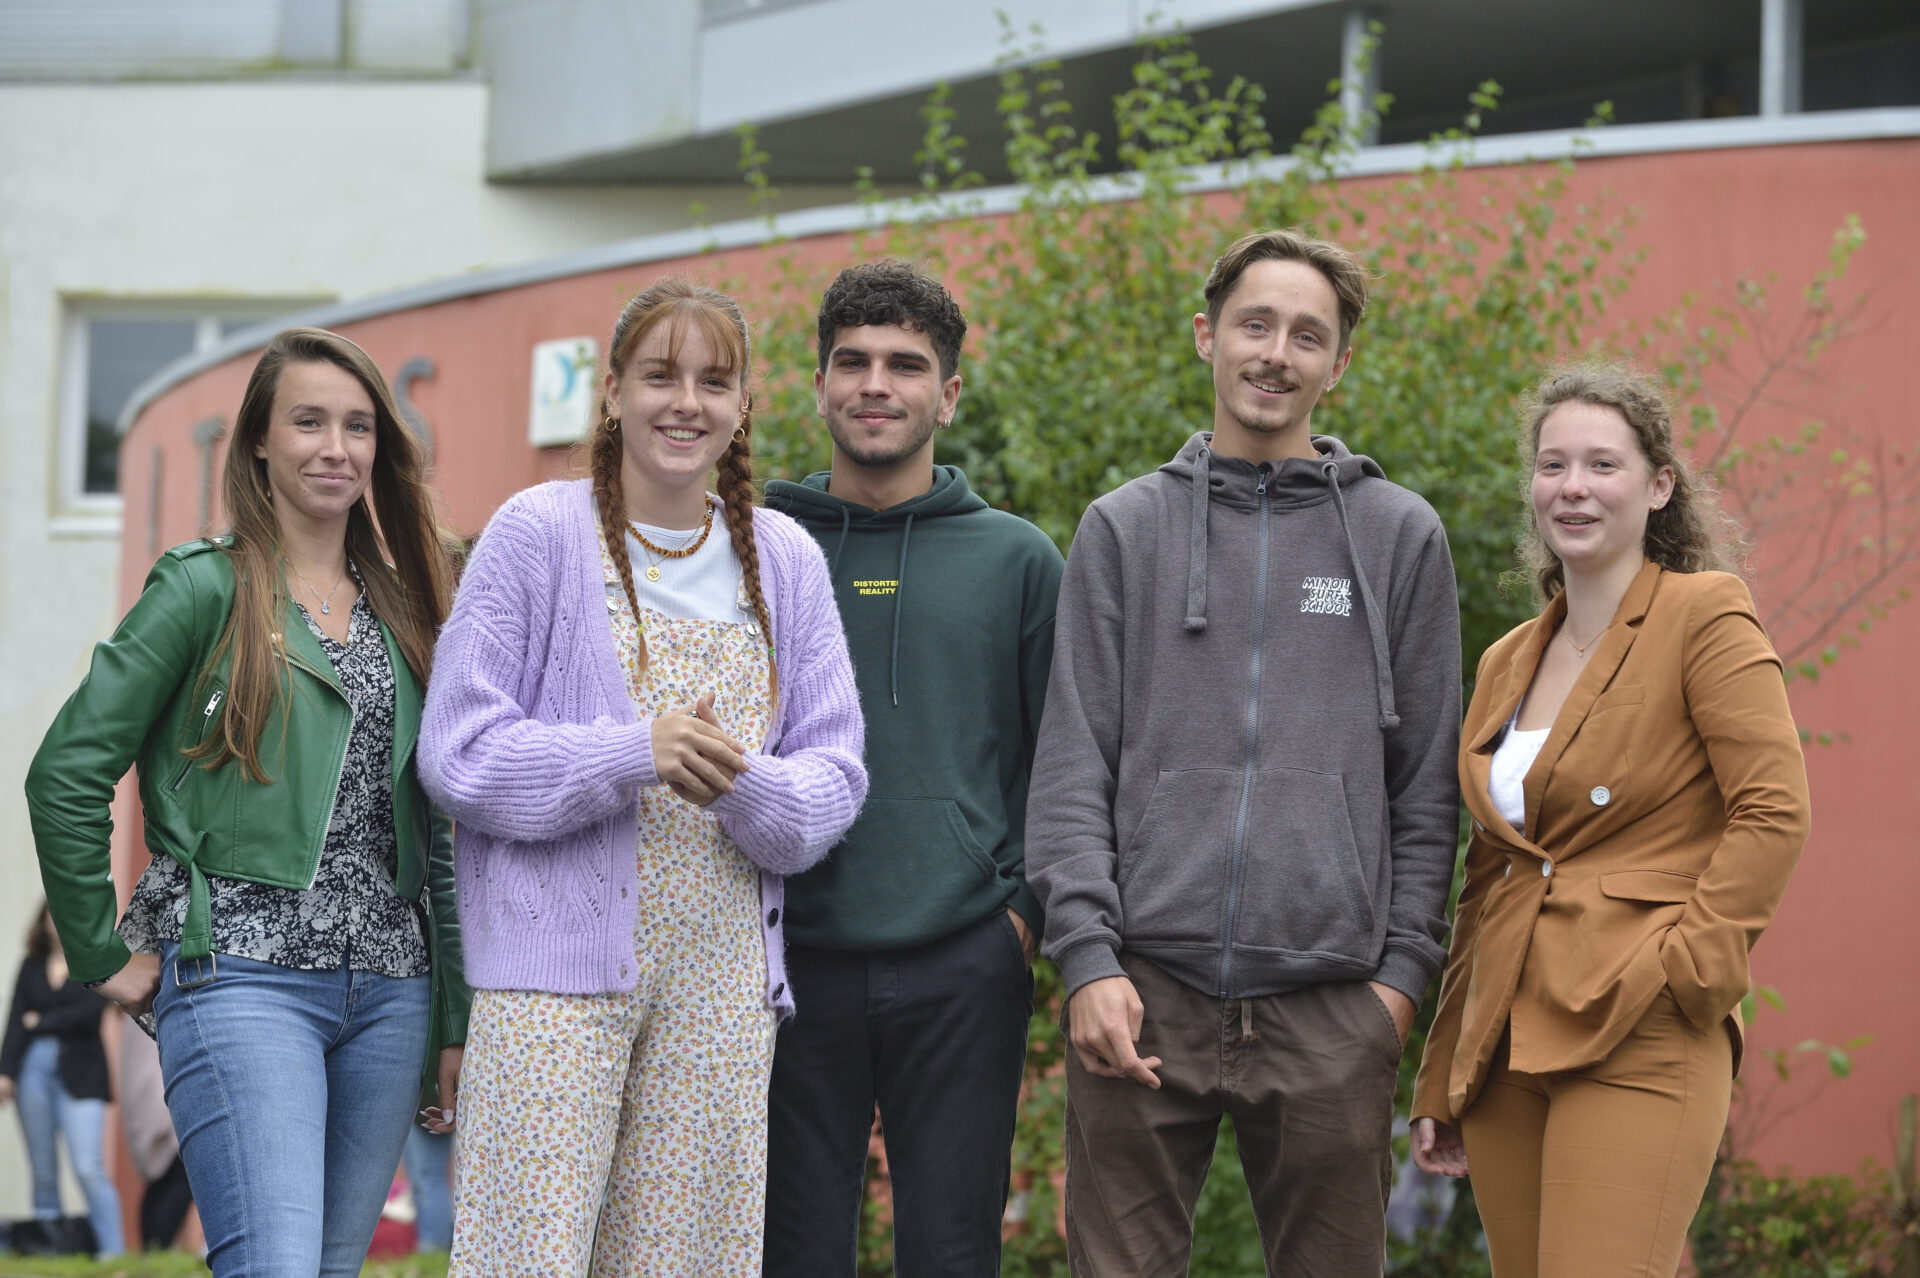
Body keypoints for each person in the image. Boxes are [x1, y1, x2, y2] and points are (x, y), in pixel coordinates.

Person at [1027, 227, 1463, 1277]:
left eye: (1307, 335)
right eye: (1255, 324)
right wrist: (1088, 961)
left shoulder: (1402, 537)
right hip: (1143, 995)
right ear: (1206, 336)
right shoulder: (1123, 530)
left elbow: (1427, 790)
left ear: (1338, 364)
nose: (1277, 352)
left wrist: (1397, 988)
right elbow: (1073, 761)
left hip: (1332, 1009)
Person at [418, 277, 867, 1277]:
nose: (686, 402)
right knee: (522, 1259)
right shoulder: (537, 534)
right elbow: (456, 754)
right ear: (612, 391)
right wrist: (632, 753)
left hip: (721, 993)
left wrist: (741, 785)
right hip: (551, 984)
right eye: (660, 375)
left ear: (744, 406)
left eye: (715, 381)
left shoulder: (784, 560)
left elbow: (834, 779)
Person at [23, 326, 469, 1278]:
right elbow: (65, 770)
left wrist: (452, 1019)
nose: (335, 447)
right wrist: (100, 951)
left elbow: (440, 828)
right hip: (241, 975)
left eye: (357, 427)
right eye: (308, 421)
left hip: (391, 993)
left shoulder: (405, 607)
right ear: (260, 440)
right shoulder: (202, 588)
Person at [1409, 366, 1810, 1278]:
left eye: (1602, 464)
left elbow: (1774, 807)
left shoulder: (1703, 615)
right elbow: (1488, 875)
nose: (1574, 488)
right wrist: (1443, 1072)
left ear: (1659, 485)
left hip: (1642, 1018)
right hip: (1507, 1036)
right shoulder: (1509, 658)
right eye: (1554, 466)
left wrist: (1690, 971)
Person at [761, 260, 1065, 1276]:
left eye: (905, 363)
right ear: (819, 385)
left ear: (949, 391)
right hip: (782, 958)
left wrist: (1016, 913)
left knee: (951, 1252)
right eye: (852, 361)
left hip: (963, 958)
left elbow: (1058, 758)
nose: (876, 384)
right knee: (789, 1254)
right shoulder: (755, 550)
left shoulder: (1017, 560)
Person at [0, 903, 124, 1256]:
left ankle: (113, 1254)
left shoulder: (92, 960)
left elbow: (90, 1012)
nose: (55, 921)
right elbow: (15, 1020)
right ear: (41, 921)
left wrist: (38, 1022)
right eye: (49, 915)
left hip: (82, 1071)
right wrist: (6, 1072)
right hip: (32, 1070)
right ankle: (51, 1248)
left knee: (88, 1166)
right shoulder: (31, 965)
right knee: (43, 1169)